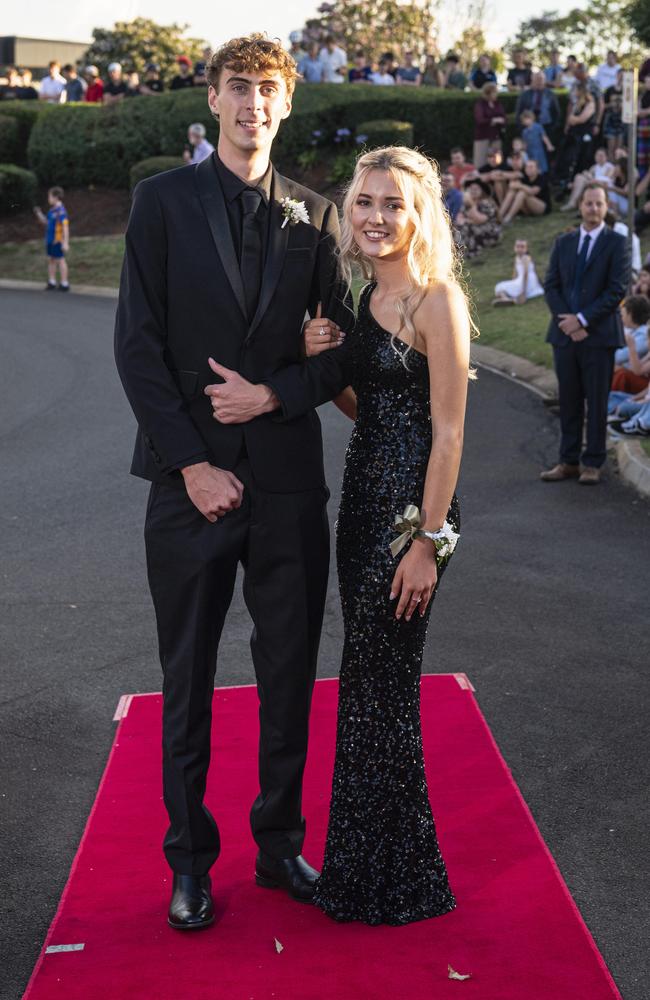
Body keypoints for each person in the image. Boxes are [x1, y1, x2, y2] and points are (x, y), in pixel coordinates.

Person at [114, 32, 356, 932]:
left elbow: (341, 355)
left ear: (286, 104)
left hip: (290, 482)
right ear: (212, 100)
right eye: (238, 87)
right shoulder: (160, 203)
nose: (254, 103)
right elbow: (137, 348)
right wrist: (194, 463)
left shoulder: (316, 218)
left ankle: (280, 842)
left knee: (289, 670)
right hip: (188, 485)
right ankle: (189, 861)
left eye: (268, 89)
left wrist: (275, 393)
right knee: (188, 676)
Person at [302, 145, 470, 924]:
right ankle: (373, 871)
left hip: (412, 521)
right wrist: (330, 367)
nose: (375, 217)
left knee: (385, 693)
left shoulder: (437, 301)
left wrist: (426, 545)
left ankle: (398, 881)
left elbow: (446, 436)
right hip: (361, 511)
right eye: (365, 202)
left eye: (391, 204)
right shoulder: (364, 297)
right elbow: (371, 413)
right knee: (368, 689)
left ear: (418, 214)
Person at [541, 182, 630, 485]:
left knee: (596, 400)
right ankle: (567, 461)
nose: (593, 208)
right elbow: (551, 285)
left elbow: (617, 289)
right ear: (580, 205)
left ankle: (593, 462)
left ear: (606, 207)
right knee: (569, 400)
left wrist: (582, 320)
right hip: (564, 336)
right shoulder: (563, 242)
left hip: (599, 336)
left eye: (599, 204)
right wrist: (567, 321)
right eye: (589, 203)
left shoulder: (617, 243)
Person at [33, 186, 70, 292]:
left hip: (57, 240)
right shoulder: (52, 210)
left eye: (49, 196)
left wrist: (65, 242)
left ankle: (64, 283)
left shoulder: (61, 211)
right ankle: (52, 281)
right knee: (51, 260)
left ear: (56, 197)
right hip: (49, 240)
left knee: (61, 260)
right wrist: (39, 213)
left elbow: (65, 227)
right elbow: (46, 222)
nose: (48, 198)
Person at [455, 176, 501, 257]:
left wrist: (471, 206)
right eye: (471, 189)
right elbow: (459, 218)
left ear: (482, 191)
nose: (473, 191)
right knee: (457, 227)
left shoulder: (486, 203)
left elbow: (480, 220)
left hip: (489, 230)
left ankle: (466, 252)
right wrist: (465, 220)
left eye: (476, 189)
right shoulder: (466, 203)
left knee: (465, 227)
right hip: (473, 226)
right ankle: (456, 251)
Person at [561, 147, 615, 211]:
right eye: (597, 155)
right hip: (593, 184)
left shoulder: (610, 167)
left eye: (601, 156)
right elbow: (588, 177)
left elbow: (605, 180)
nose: (599, 157)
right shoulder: (594, 167)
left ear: (606, 157)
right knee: (579, 177)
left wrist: (589, 177)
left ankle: (573, 203)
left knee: (581, 179)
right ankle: (573, 202)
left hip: (604, 186)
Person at [498, 158, 551, 224]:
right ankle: (499, 216)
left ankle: (508, 218)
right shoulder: (524, 177)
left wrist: (520, 185)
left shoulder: (542, 178)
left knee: (522, 193)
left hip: (541, 207)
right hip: (528, 209)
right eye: (527, 167)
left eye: (531, 167)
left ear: (537, 169)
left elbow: (533, 191)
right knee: (512, 191)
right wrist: (515, 184)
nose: (528, 169)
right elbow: (511, 185)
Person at [493, 237, 544, 305]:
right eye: (517, 246)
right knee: (500, 289)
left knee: (499, 287)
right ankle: (508, 300)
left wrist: (524, 292)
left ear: (526, 249)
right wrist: (512, 282)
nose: (519, 249)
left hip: (527, 282)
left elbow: (526, 274)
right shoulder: (517, 258)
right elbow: (515, 273)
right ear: (514, 248)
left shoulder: (526, 258)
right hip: (521, 280)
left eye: (522, 247)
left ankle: (509, 299)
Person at [472, 82, 506, 168]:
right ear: (488, 93)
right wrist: (492, 120)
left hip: (496, 136)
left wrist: (501, 120)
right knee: (481, 161)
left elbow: (503, 116)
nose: (496, 94)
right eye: (494, 92)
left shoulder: (497, 104)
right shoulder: (480, 104)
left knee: (497, 160)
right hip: (483, 136)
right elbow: (479, 119)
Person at [520, 109, 554, 175]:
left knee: (541, 166)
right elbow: (524, 142)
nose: (527, 121)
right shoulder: (524, 132)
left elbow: (544, 137)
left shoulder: (538, 127)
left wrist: (549, 145)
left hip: (538, 151)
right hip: (530, 151)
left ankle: (542, 178)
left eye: (528, 119)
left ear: (532, 118)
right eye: (525, 120)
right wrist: (523, 150)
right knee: (532, 165)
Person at [602, 71, 625, 161]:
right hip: (611, 120)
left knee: (619, 149)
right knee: (611, 148)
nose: (621, 77)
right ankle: (610, 166)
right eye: (620, 75)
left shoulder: (626, 90)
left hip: (622, 121)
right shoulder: (610, 90)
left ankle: (617, 169)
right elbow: (603, 105)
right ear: (616, 76)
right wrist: (612, 104)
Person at [637, 75, 650, 179]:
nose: (647, 83)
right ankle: (642, 180)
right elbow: (637, 111)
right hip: (643, 127)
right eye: (646, 81)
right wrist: (644, 112)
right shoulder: (642, 95)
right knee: (642, 156)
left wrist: (644, 112)